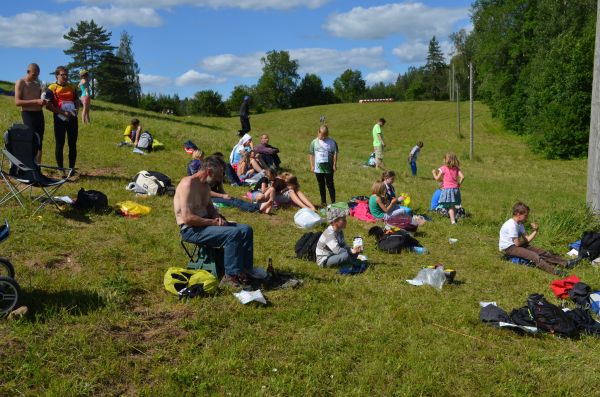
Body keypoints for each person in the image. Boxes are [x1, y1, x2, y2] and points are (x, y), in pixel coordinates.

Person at [174, 156, 254, 287]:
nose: (219, 180)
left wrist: (217, 217)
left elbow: (210, 208)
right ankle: (230, 277)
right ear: (209, 171)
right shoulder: (187, 184)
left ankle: (245, 270)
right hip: (191, 230)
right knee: (233, 234)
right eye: (217, 176)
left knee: (246, 229)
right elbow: (187, 218)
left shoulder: (205, 186)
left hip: (205, 225)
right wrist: (213, 223)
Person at [499, 202, 578, 275]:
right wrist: (525, 242)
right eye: (526, 216)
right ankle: (553, 271)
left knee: (542, 252)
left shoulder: (520, 224)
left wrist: (535, 231)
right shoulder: (512, 225)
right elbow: (517, 243)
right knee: (533, 256)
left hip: (516, 245)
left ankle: (566, 263)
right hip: (509, 248)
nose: (527, 218)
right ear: (518, 214)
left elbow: (527, 239)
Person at [46, 66, 79, 174]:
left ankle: (71, 168)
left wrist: (76, 110)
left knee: (72, 144)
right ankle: (61, 169)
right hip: (59, 119)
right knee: (60, 144)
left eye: (66, 74)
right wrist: (61, 112)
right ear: (57, 76)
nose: (65, 77)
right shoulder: (51, 88)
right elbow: (48, 106)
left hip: (72, 119)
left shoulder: (72, 87)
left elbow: (76, 100)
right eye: (62, 75)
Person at [14, 63, 46, 163]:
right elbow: (17, 102)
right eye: (34, 75)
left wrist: (43, 100)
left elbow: (40, 102)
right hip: (28, 114)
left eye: (37, 75)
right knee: (30, 140)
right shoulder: (21, 82)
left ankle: (37, 168)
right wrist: (36, 101)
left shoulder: (37, 84)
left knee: (39, 141)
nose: (36, 77)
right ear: (28, 72)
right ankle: (29, 166)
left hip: (39, 114)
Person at [308, 125, 338, 207]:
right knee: (321, 185)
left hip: (329, 168)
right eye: (321, 135)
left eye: (325, 135)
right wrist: (312, 165)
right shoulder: (314, 142)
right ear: (318, 132)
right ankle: (323, 202)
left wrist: (334, 165)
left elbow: (335, 153)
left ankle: (333, 202)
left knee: (330, 184)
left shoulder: (332, 142)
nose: (323, 137)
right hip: (318, 169)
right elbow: (311, 154)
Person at [432, 153, 465, 224]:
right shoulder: (456, 168)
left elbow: (437, 179)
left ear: (446, 160)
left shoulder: (443, 168)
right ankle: (454, 217)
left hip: (447, 190)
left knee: (450, 206)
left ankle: (453, 221)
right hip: (455, 189)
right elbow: (462, 177)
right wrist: (459, 184)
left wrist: (434, 173)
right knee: (453, 205)